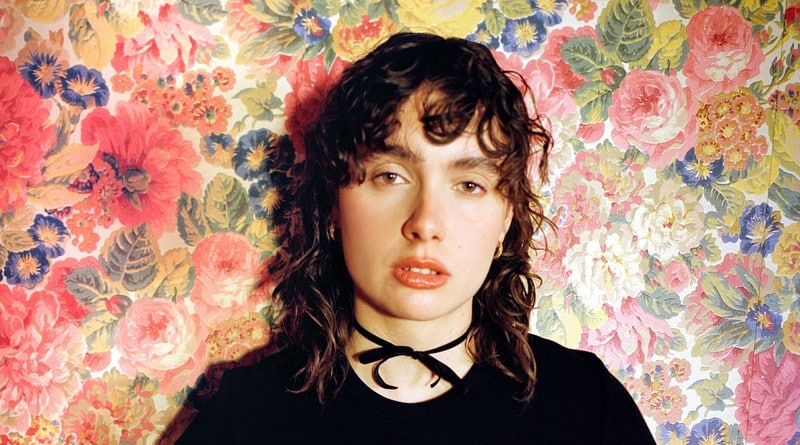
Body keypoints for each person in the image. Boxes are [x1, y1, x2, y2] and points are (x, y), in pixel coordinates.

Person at [175, 32, 656, 444]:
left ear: (505, 220)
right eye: (390, 176)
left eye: (469, 185)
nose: (426, 223)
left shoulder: (585, 403)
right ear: (335, 206)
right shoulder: (247, 414)